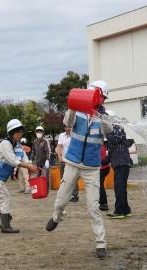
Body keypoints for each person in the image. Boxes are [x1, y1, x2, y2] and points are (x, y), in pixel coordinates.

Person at [46, 80, 112, 259]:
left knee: (93, 207)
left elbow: (109, 130)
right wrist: (74, 106)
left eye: (103, 98)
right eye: (100, 96)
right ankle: (56, 218)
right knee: (61, 201)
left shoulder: (103, 115)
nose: (101, 100)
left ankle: (101, 243)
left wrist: (101, 115)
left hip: (91, 167)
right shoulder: (78, 112)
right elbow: (67, 122)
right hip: (73, 163)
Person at [0, 119, 38, 233]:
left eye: (21, 131)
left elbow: (24, 158)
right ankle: (5, 225)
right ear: (12, 132)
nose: (21, 134)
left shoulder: (18, 145)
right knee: (5, 197)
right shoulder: (5, 144)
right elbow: (12, 160)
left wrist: (31, 166)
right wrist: (28, 167)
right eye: (19, 131)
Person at [105, 110, 133, 219]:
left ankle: (120, 211)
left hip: (122, 163)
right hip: (119, 163)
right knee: (120, 187)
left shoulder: (117, 128)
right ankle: (125, 209)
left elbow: (115, 138)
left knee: (119, 187)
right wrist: (101, 162)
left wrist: (106, 131)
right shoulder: (113, 129)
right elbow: (111, 153)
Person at [31, 126, 51, 192]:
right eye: (37, 131)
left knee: (45, 176)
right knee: (37, 176)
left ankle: (46, 190)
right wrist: (31, 159)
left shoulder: (45, 141)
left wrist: (47, 160)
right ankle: (39, 190)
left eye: (40, 131)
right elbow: (33, 152)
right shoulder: (34, 142)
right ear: (35, 132)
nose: (39, 133)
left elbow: (48, 151)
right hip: (38, 162)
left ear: (43, 132)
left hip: (45, 162)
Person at [99, 140, 111, 211]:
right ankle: (101, 201)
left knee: (100, 185)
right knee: (99, 185)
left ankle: (103, 204)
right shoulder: (104, 146)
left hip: (102, 168)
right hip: (105, 168)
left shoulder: (100, 147)